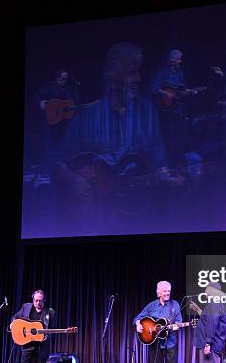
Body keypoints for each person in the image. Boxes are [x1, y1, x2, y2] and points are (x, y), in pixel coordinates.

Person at [51, 42, 180, 236]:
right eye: (130, 73)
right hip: (94, 221)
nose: (137, 79)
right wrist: (73, 180)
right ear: (111, 79)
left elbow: (159, 160)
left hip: (138, 215)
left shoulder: (147, 113)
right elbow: (55, 161)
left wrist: (167, 175)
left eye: (138, 72)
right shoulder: (86, 117)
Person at [133, 281, 182, 363]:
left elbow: (179, 322)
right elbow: (138, 317)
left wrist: (176, 326)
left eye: (169, 291)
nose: (167, 293)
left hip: (170, 343)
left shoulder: (175, 305)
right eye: (165, 291)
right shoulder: (152, 306)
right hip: (155, 343)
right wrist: (138, 324)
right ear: (159, 293)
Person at [192, 281, 226, 363]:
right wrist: (197, 309)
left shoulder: (215, 304)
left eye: (206, 290)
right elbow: (208, 318)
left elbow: (212, 324)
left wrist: (208, 343)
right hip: (210, 343)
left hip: (209, 345)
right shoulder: (215, 304)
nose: (205, 293)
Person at [11, 290, 56, 363]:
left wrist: (47, 336)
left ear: (44, 300)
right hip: (27, 344)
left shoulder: (50, 312)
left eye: (40, 300)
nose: (38, 302)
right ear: (33, 299)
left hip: (41, 346)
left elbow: (52, 329)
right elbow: (15, 317)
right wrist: (12, 323)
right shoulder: (26, 307)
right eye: (36, 300)